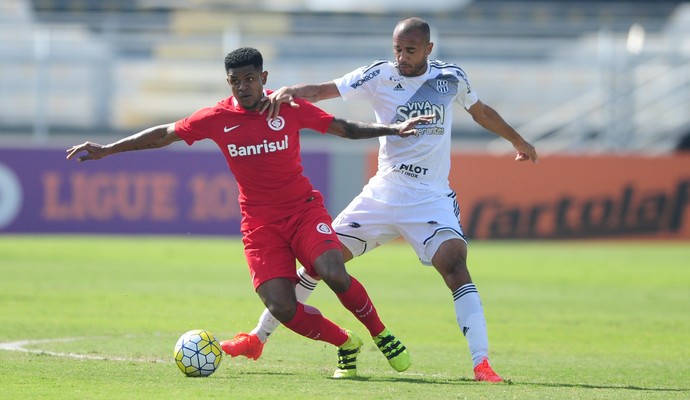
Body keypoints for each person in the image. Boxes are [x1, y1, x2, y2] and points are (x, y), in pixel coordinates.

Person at [65, 47, 434, 379]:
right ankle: (346, 343)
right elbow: (164, 133)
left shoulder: (287, 107)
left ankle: (381, 334)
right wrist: (108, 149)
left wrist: (394, 128)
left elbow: (345, 128)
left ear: (264, 79)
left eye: (250, 79)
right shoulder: (215, 117)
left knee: (333, 271)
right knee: (283, 307)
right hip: (260, 225)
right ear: (228, 82)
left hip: (303, 211)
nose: (243, 87)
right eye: (235, 81)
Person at [223, 18, 539, 383]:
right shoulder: (379, 75)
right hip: (382, 193)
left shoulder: (451, 78)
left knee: (455, 266)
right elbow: (326, 90)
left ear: (428, 50)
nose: (402, 58)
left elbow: (480, 111)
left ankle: (481, 364)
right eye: (398, 50)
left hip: (431, 198)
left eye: (410, 50)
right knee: (320, 262)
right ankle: (258, 338)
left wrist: (517, 140)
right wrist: (291, 90)